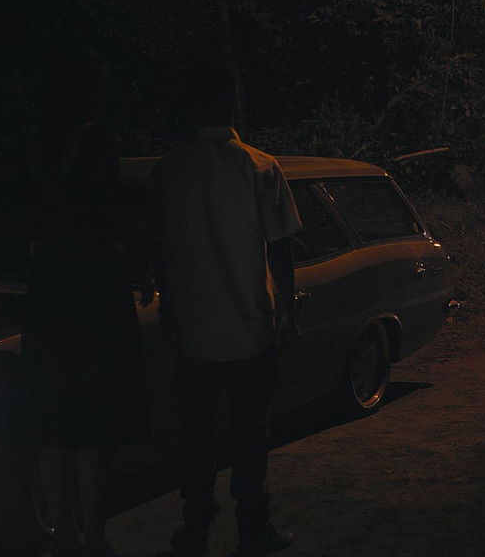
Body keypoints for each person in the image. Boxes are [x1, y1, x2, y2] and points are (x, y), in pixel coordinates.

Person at [155, 71, 302, 557]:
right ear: (233, 107)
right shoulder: (260, 166)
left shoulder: (170, 170)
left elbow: (161, 250)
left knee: (196, 435)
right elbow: (281, 248)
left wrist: (170, 307)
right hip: (248, 326)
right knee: (250, 434)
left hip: (193, 328)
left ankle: (195, 526)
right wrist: (287, 310)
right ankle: (253, 527)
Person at [24, 45, 148, 557]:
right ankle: (94, 535)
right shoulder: (99, 145)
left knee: (55, 425)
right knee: (95, 425)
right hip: (95, 297)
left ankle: (61, 534)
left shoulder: (37, 147)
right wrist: (139, 264)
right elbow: (114, 222)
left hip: (49, 297)